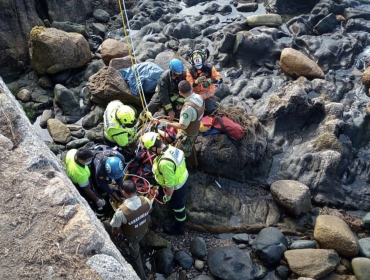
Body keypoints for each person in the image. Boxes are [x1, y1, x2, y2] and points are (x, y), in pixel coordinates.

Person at [141, 132, 189, 235]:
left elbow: (170, 185)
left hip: (177, 189)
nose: (151, 152)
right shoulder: (173, 149)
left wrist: (168, 196)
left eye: (150, 150)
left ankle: (179, 228)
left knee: (178, 207)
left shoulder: (164, 163)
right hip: (183, 178)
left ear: (154, 148)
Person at [110, 180, 152, 280]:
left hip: (132, 237)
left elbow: (115, 230)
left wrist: (117, 238)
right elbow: (150, 211)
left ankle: (141, 277)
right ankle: (144, 244)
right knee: (141, 234)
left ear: (123, 192)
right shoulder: (146, 200)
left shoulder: (120, 213)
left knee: (136, 258)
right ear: (136, 189)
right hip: (144, 229)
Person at [162, 80, 205, 167]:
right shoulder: (198, 97)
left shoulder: (188, 109)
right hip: (196, 129)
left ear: (180, 93)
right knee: (190, 147)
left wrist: (167, 124)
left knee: (180, 153)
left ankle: (184, 166)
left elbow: (183, 126)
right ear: (191, 88)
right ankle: (194, 163)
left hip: (187, 135)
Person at [186, 49, 223, 116]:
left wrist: (211, 80)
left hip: (208, 95)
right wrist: (196, 82)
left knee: (211, 111)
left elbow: (220, 79)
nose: (198, 68)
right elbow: (189, 85)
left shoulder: (209, 68)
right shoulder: (190, 71)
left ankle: (215, 104)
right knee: (195, 113)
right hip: (196, 96)